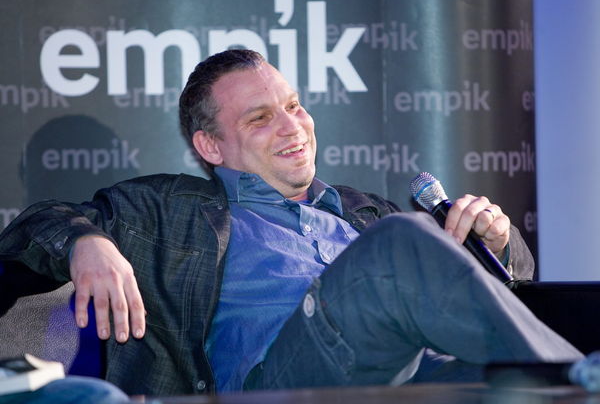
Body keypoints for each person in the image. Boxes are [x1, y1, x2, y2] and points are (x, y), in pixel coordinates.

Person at [0, 49, 583, 396]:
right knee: (402, 242)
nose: (292, 126)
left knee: (515, 385)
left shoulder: (363, 210)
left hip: (410, 374)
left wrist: (498, 244)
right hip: (282, 383)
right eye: (260, 118)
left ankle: (572, 378)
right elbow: (33, 226)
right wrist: (86, 241)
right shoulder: (169, 211)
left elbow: (515, 288)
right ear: (210, 146)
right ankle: (580, 376)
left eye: (294, 105)